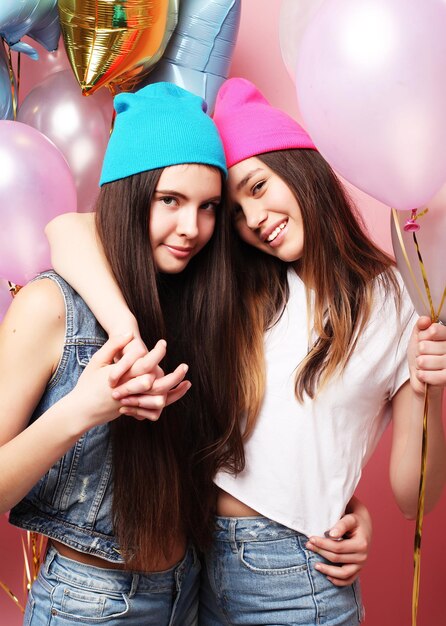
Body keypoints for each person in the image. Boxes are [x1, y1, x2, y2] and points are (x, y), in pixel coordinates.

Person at [44, 81, 405, 623]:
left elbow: (388, 474)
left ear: (300, 169)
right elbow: (67, 228)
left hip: (284, 572)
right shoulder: (242, 293)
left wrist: (345, 506)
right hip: (195, 565)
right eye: (233, 210)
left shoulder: (382, 296)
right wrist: (125, 329)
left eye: (255, 188)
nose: (252, 217)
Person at [0, 82, 247, 626]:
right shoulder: (50, 307)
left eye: (208, 207)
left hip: (192, 593)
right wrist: (82, 408)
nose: (192, 229)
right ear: (131, 193)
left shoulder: (196, 303)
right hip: (90, 603)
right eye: (170, 201)